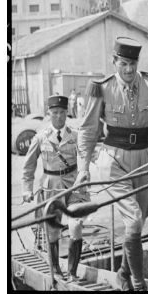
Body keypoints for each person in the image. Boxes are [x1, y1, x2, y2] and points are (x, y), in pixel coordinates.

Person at [75, 37, 148, 291]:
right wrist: (84, 168)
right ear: (114, 62)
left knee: (142, 216)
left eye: (133, 63)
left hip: (144, 159)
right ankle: (137, 284)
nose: (129, 70)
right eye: (123, 64)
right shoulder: (103, 88)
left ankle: (123, 272)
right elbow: (87, 131)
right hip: (113, 160)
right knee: (133, 220)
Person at [22, 95, 88, 280]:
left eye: (62, 112)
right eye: (55, 113)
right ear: (48, 114)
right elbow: (28, 166)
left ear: (67, 113)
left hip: (74, 184)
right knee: (52, 230)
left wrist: (86, 170)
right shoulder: (40, 138)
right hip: (51, 185)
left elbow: (87, 156)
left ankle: (72, 273)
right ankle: (57, 271)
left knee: (76, 225)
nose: (58, 116)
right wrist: (27, 189)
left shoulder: (76, 136)